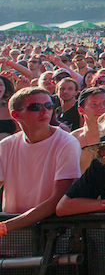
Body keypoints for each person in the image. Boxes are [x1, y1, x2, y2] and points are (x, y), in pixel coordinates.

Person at [0, 87, 81, 237]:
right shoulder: (6, 145)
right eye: (35, 107)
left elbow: (58, 199)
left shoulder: (66, 142)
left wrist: (5, 226)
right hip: (13, 237)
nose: (45, 111)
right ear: (15, 114)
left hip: (51, 235)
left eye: (49, 106)